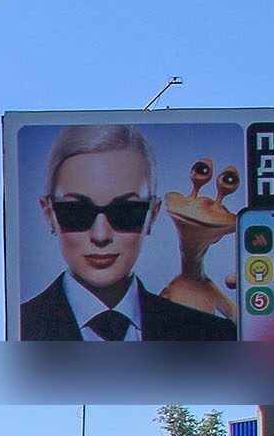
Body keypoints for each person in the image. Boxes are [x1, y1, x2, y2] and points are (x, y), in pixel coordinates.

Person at [18, 124, 237, 343]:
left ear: (152, 214)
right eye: (77, 212)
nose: (101, 235)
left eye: (125, 212)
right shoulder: (19, 329)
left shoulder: (212, 335)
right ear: (49, 213)